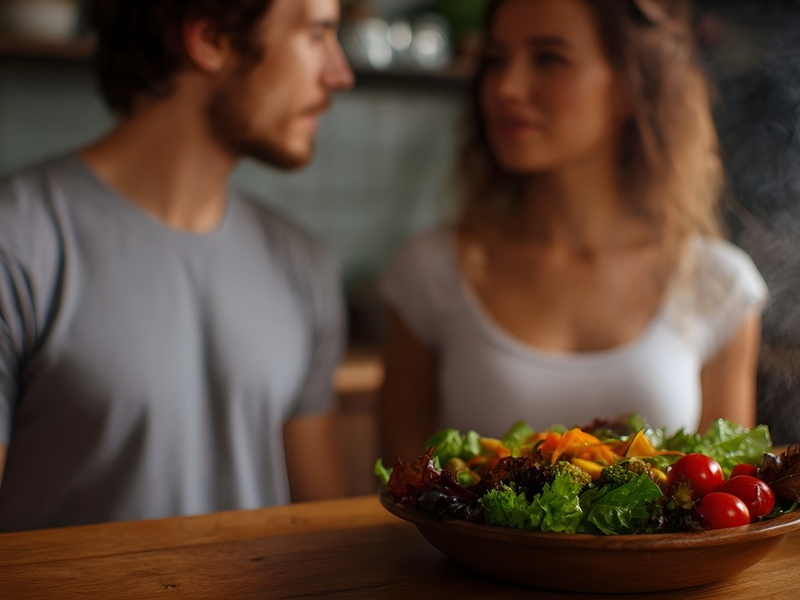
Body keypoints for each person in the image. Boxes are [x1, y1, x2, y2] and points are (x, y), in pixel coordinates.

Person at [0, 0, 354, 532]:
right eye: (317, 33)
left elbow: (326, 531)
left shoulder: (303, 263)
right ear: (211, 39)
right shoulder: (18, 243)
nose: (340, 73)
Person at [378, 0, 768, 463]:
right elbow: (399, 486)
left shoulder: (716, 283)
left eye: (549, 58)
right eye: (496, 60)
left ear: (628, 86)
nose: (506, 86)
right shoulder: (431, 271)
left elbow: (728, 503)